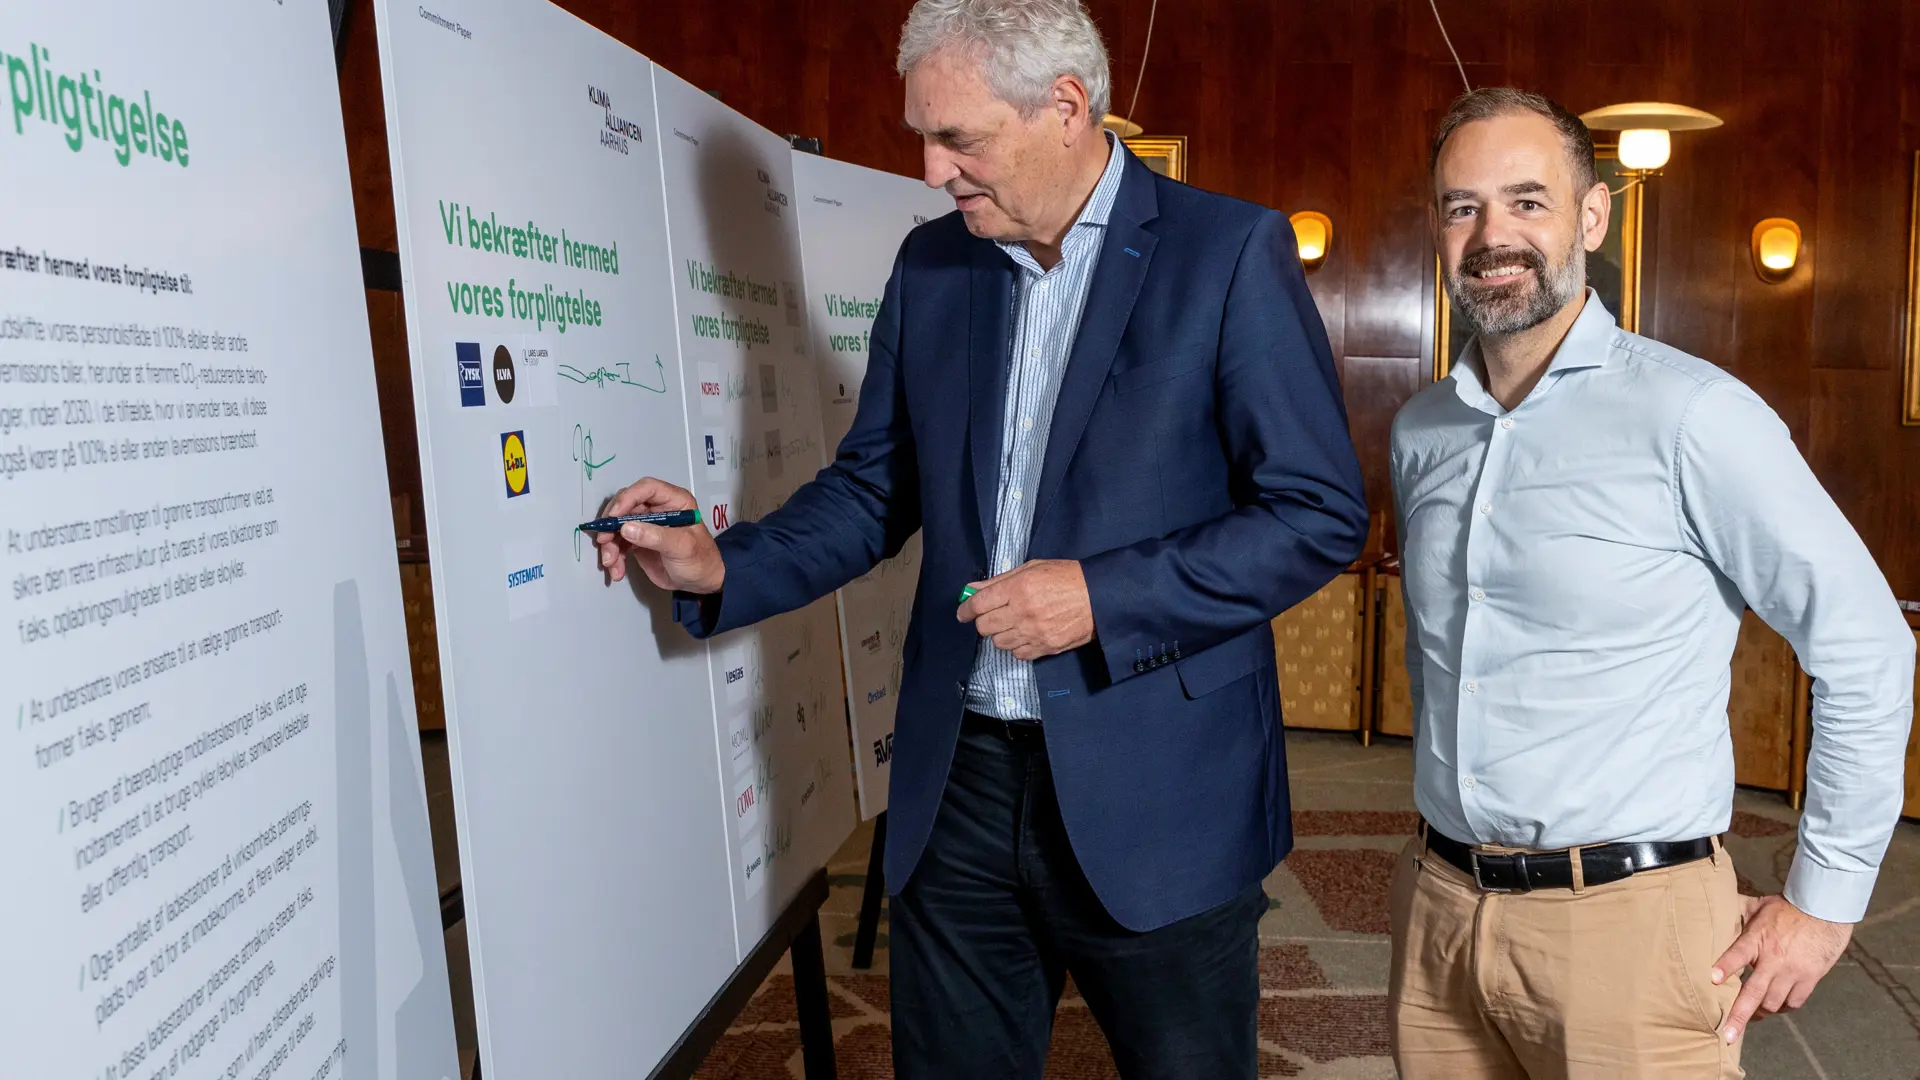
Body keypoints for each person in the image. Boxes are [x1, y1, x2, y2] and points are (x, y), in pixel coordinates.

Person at [594, 1, 1367, 1074]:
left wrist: (1100, 597)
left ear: (1065, 107)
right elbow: (877, 487)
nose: (930, 169)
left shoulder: (1227, 252)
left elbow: (1316, 513)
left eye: (958, 138)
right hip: (959, 779)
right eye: (924, 135)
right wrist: (724, 564)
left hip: (1159, 780)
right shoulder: (934, 268)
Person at [1388, 86, 1915, 1079]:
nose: (1493, 234)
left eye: (1528, 201)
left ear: (1593, 217)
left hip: (1630, 931)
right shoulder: (1425, 430)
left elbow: (1867, 646)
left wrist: (1824, 901)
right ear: (1436, 227)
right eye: (1463, 207)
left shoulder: (1694, 417)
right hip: (1442, 916)